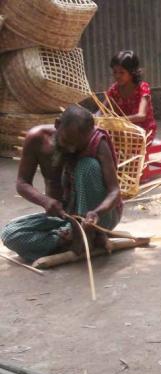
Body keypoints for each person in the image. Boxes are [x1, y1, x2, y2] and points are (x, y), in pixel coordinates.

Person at [0, 106, 122, 263]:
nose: (71, 150)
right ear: (57, 124)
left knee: (87, 165)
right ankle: (68, 239)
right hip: (63, 217)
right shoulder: (36, 139)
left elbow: (114, 192)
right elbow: (22, 183)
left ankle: (87, 235)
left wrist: (97, 213)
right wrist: (46, 201)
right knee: (11, 234)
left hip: (98, 219)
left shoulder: (96, 141)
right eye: (67, 141)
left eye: (78, 145)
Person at [106, 50, 157, 142]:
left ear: (132, 72)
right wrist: (93, 118)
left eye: (121, 72)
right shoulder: (114, 90)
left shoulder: (142, 88)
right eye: (115, 72)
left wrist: (118, 121)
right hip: (124, 130)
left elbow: (141, 115)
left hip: (143, 131)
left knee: (115, 141)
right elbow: (101, 110)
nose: (117, 76)